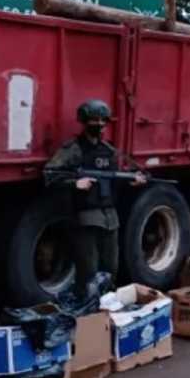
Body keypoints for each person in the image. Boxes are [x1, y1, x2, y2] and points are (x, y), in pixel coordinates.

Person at [44, 99, 145, 297]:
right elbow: (50, 174)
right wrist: (75, 183)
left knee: (111, 268)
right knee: (88, 270)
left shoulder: (108, 150)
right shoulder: (74, 149)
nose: (99, 124)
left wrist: (132, 181)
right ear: (84, 121)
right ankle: (87, 312)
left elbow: (115, 178)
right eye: (94, 120)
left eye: (102, 120)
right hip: (86, 217)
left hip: (109, 217)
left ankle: (106, 309)